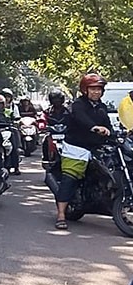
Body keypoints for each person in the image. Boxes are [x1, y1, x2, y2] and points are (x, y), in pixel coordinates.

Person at [54, 73, 112, 230]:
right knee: (70, 178)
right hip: (76, 147)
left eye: (99, 89)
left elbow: (107, 124)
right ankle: (61, 215)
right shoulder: (78, 104)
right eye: (93, 89)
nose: (96, 92)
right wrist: (94, 127)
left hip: (95, 147)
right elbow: (81, 118)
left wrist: (113, 133)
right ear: (85, 90)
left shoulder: (102, 107)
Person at [0, 87, 22, 175]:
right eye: (4, 96)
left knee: (15, 147)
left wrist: (15, 122)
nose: (6, 98)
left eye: (8, 96)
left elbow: (17, 117)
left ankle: (16, 167)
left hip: (10, 129)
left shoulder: (14, 106)